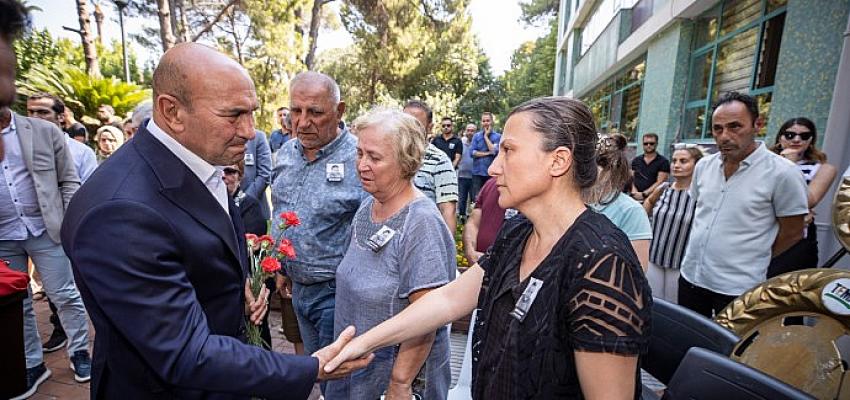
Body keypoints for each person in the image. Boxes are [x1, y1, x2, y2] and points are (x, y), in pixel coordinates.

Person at [60, 43, 369, 400]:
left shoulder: (199, 163)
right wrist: (309, 369)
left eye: (252, 113)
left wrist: (240, 286)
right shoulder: (119, 213)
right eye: (234, 115)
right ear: (172, 112)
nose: (251, 131)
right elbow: (185, 353)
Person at [325, 97, 651, 399]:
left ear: (558, 161)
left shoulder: (603, 264)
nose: (493, 168)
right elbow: (448, 299)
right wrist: (361, 344)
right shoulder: (518, 233)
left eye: (508, 151)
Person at [326, 108, 455, 400]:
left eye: (374, 157)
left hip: (392, 386)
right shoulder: (366, 207)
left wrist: (400, 383)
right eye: (359, 153)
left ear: (405, 161)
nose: (361, 165)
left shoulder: (421, 223)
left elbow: (428, 316)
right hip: (355, 373)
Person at [270, 71, 368, 393]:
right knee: (321, 378)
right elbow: (280, 211)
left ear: (339, 112)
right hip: (298, 291)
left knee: (339, 386)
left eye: (315, 112)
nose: (302, 122)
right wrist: (281, 264)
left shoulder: (360, 159)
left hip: (336, 294)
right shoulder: (285, 155)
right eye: (295, 111)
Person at [679, 92, 808, 318]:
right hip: (691, 277)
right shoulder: (704, 166)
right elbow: (702, 214)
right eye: (718, 129)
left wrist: (753, 256)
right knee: (688, 345)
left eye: (734, 126)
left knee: (730, 351)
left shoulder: (783, 173)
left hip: (738, 290)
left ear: (757, 125)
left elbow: (793, 232)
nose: (725, 136)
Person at [1, 102, 94, 397]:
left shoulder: (41, 131)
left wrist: (69, 224)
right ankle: (32, 364)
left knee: (65, 294)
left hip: (46, 230)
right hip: (4, 235)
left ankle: (80, 352)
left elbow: (69, 179)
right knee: (18, 304)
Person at [767, 117, 837, 276]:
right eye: (790, 135)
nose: (797, 139)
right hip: (763, 231)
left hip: (798, 241)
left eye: (804, 136)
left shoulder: (824, 168)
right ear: (780, 138)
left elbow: (808, 200)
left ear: (811, 140)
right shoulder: (764, 164)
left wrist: (790, 166)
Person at [642, 145, 703, 303]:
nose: (676, 165)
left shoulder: (701, 194)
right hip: (655, 257)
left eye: (683, 161)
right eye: (674, 161)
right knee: (651, 302)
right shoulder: (664, 189)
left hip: (680, 262)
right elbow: (647, 205)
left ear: (697, 165)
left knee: (674, 307)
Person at [585, 133, 652, 269]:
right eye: (586, 160)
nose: (593, 168)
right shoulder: (566, 201)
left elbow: (638, 271)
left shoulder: (631, 211)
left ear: (615, 168)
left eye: (602, 162)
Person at [403, 100, 459, 234]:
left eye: (416, 125)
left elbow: (448, 210)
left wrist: (446, 251)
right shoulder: (388, 156)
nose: (409, 130)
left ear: (429, 127)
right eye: (404, 123)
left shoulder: (439, 161)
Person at [26, 93, 97, 183]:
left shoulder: (83, 153)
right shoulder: (18, 148)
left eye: (43, 112)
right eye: (31, 112)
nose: (34, 117)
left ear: (61, 117)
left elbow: (89, 190)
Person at [462, 178, 507, 265]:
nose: (493, 169)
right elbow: (473, 223)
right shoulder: (491, 184)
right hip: (481, 268)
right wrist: (470, 251)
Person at [469, 112, 500, 201]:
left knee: (490, 199)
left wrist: (486, 137)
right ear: (481, 123)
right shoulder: (476, 136)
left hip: (491, 174)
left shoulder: (498, 137)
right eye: (483, 121)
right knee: (477, 200)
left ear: (492, 122)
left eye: (488, 121)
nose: (486, 123)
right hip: (477, 174)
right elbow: (472, 153)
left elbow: (494, 151)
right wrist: (487, 153)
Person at [630, 132, 669, 202]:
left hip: (653, 199)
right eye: (645, 143)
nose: (648, 145)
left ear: (656, 144)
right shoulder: (636, 160)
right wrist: (634, 192)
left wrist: (644, 194)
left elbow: (660, 182)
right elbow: (631, 178)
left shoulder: (663, 162)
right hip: (634, 197)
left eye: (651, 143)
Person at [242, 129, 272, 219]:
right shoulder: (219, 137)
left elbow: (265, 174)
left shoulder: (258, 137)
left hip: (254, 210)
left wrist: (243, 200)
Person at [456, 124, 475, 222]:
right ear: (465, 131)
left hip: (474, 176)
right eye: (468, 130)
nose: (470, 132)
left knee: (473, 199)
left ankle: (471, 219)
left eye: (472, 131)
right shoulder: (460, 142)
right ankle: (461, 217)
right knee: (462, 198)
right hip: (462, 175)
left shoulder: (477, 143)